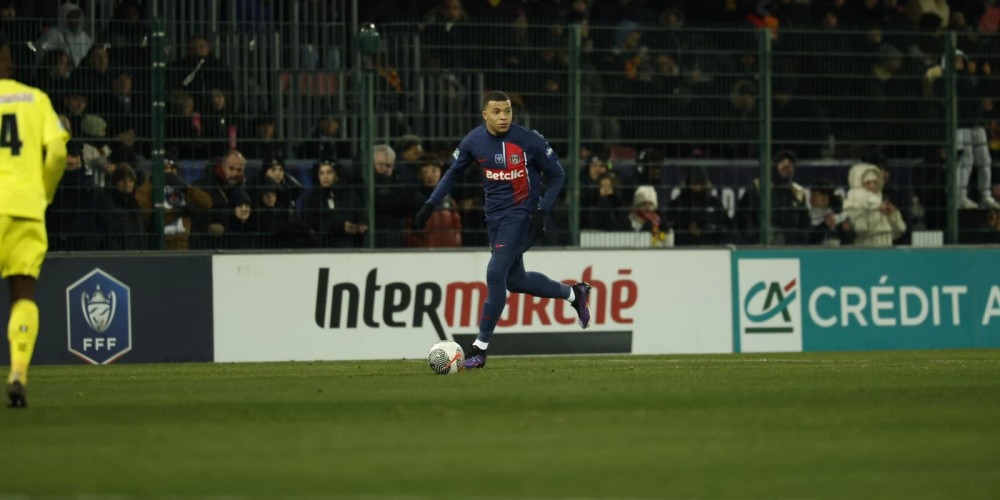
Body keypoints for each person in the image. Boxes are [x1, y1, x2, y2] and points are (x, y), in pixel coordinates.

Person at [413, 90, 591, 370]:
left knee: (495, 273)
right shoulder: (474, 141)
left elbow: (557, 174)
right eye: (496, 112)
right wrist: (429, 205)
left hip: (522, 216)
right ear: (485, 114)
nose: (503, 117)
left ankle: (479, 349)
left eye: (507, 111)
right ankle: (574, 294)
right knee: (515, 280)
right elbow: (452, 173)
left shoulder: (528, 140)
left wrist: (541, 210)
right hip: (494, 219)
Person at [0, 38, 71, 407]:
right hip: (26, 207)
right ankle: (17, 373)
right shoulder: (35, 99)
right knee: (22, 295)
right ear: (9, 62)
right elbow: (58, 152)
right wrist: (43, 191)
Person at [842, 162, 907, 247]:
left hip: (887, 248)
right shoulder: (851, 203)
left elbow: (900, 230)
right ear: (860, 183)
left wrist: (892, 215)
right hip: (866, 248)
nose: (872, 185)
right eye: (868, 182)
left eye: (875, 182)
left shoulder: (885, 202)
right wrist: (876, 209)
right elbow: (860, 229)